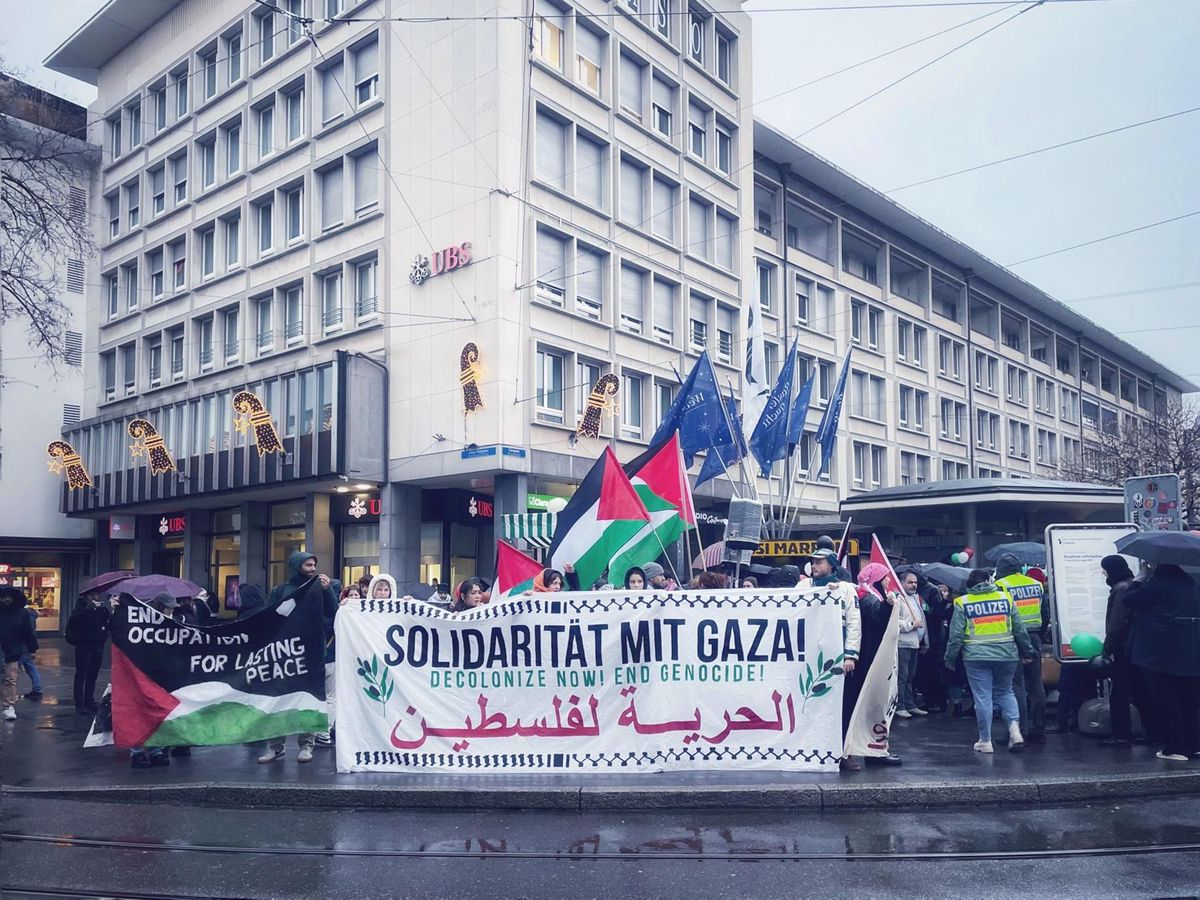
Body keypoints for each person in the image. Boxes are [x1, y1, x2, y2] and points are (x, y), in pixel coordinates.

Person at [944, 569, 1036, 754]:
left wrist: (950, 658)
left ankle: (985, 741)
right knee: (1006, 692)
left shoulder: (962, 602)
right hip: (1006, 653)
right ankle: (1015, 731)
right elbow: (1019, 629)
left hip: (976, 657)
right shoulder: (1005, 598)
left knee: (983, 697)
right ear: (989, 580)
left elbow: (955, 635)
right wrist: (1027, 651)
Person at [258, 552, 338, 765]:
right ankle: (275, 746)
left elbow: (334, 612)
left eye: (314, 564)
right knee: (278, 700)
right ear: (296, 566)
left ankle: (306, 745)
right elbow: (269, 617)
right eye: (308, 565)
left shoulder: (320, 587)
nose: (313, 568)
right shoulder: (281, 590)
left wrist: (327, 589)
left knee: (308, 699)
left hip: (311, 652)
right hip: (285, 653)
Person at [1124, 563, 1200, 762]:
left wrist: (1139, 579)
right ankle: (1194, 745)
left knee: (1167, 701)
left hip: (1162, 653)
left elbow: (1130, 600)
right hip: (1190, 651)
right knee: (1189, 702)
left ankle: (1175, 748)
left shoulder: (1158, 584)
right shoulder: (1191, 584)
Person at [810, 549, 863, 771]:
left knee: (841, 709)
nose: (814, 566)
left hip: (837, 661)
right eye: (812, 562)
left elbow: (854, 623)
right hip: (809, 659)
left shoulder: (846, 590)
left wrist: (850, 655)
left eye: (819, 562)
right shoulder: (803, 588)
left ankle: (842, 753)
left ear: (831, 565)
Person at [847, 563, 903, 767]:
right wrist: (887, 606)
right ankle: (874, 751)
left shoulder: (865, 596)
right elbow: (878, 618)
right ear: (877, 580)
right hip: (870, 662)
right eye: (886, 577)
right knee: (874, 707)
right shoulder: (868, 599)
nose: (889, 581)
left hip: (869, 661)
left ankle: (874, 750)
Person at [995, 553, 1049, 744]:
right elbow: (1045, 612)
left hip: (1012, 638)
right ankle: (1039, 729)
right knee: (1036, 685)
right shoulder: (1036, 584)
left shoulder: (1001, 586)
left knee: (1015, 686)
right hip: (1034, 636)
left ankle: (1019, 729)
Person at [1099, 555, 1139, 747]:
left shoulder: (1120, 589)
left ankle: (1121, 735)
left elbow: (1117, 622)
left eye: (1105, 568)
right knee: (1138, 689)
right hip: (1133, 646)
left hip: (1122, 647)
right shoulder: (1131, 585)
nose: (1103, 572)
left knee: (1119, 692)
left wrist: (1108, 646)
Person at [65, 593, 110, 714]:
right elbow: (74, 622)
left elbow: (106, 622)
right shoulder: (80, 608)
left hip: (98, 645)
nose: (95, 598)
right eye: (91, 596)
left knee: (93, 674)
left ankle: (89, 699)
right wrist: (87, 610)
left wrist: (104, 610)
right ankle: (79, 702)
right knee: (81, 673)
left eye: (96, 595)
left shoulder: (101, 609)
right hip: (84, 645)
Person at [0, 586, 39, 722]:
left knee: (10, 678)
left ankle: (8, 706)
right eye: (3, 597)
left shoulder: (21, 613)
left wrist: (32, 649)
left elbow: (28, 632)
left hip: (12, 650)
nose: (6, 599)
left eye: (8, 597)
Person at [895, 572, 929, 718]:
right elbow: (894, 622)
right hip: (902, 643)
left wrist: (925, 641)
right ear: (902, 583)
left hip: (915, 643)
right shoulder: (898, 599)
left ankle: (910, 704)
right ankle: (900, 705)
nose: (914, 585)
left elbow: (923, 621)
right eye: (910, 582)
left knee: (910, 676)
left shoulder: (915, 598)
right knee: (902, 677)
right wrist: (910, 625)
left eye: (915, 582)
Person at [18, 604, 43, 701]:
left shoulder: (24, 617)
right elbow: (31, 634)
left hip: (21, 645)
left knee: (12, 670)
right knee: (30, 668)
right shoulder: (32, 616)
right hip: (28, 645)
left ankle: (7, 693)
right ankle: (37, 689)